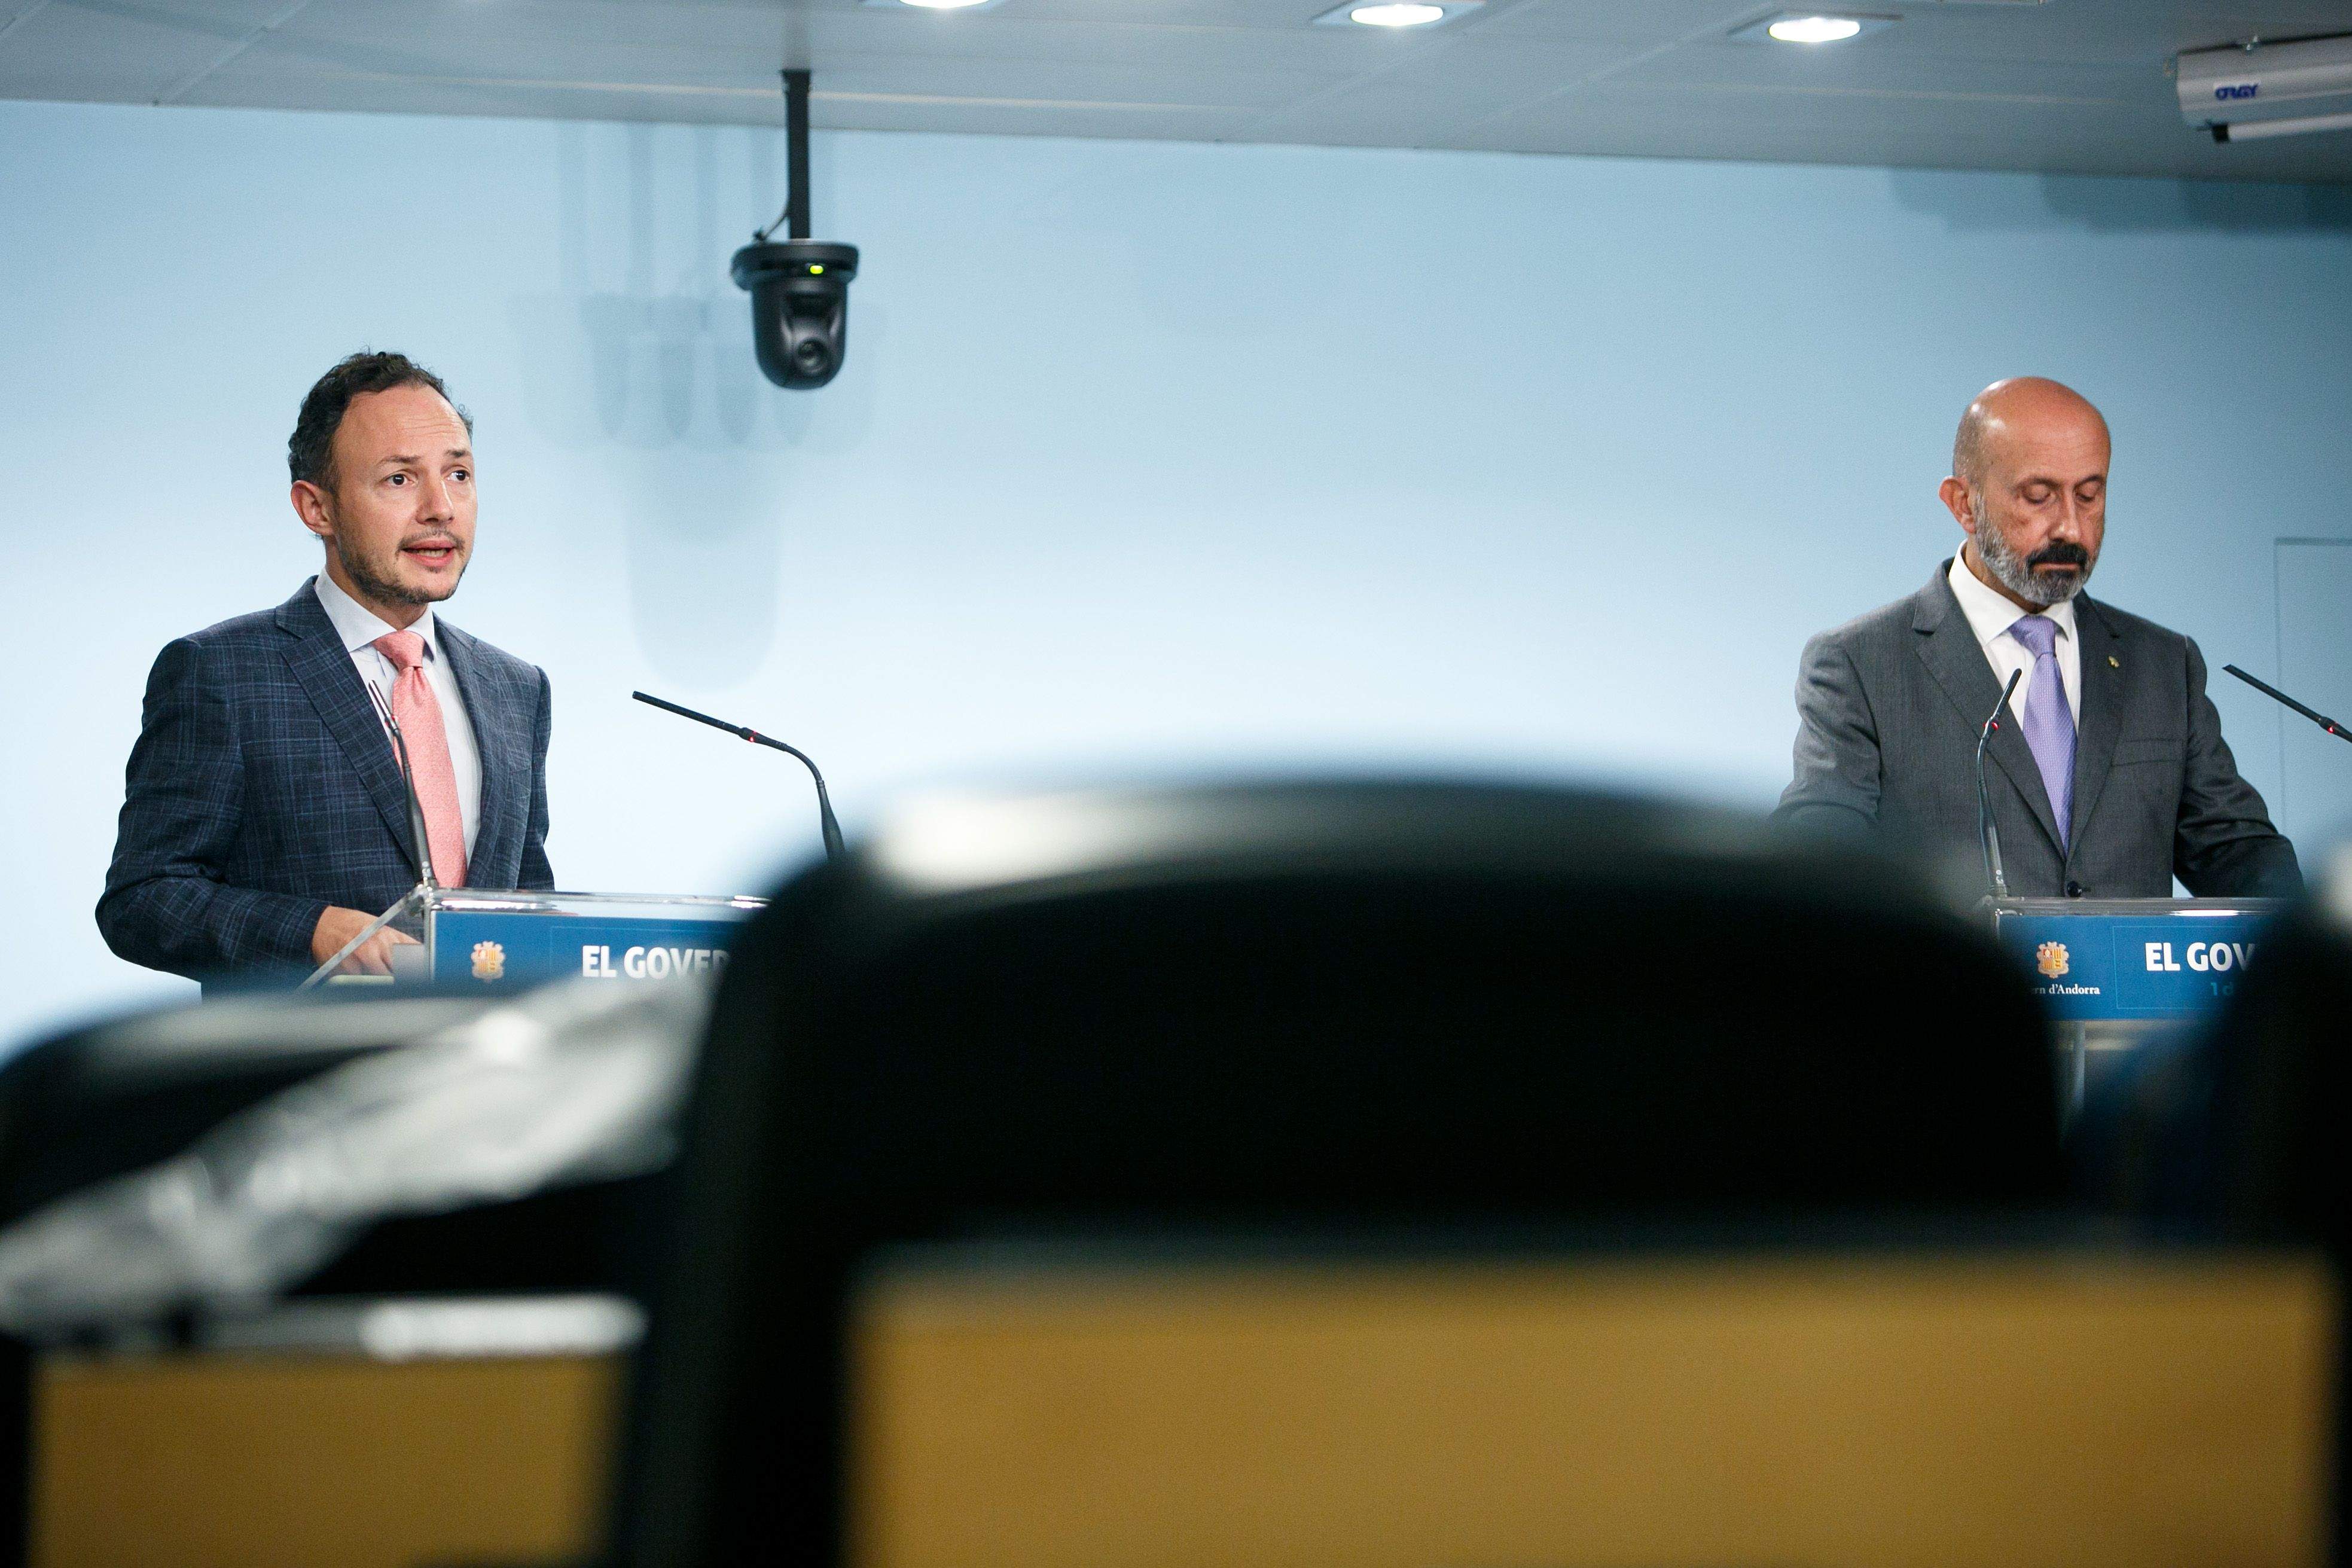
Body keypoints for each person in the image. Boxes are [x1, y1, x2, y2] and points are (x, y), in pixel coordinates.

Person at [100, 352, 553, 984]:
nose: (440, 508)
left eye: (458, 474)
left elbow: (528, 905)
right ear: (318, 509)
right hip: (308, 1071)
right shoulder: (221, 674)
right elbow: (143, 899)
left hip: (468, 1075)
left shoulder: (517, 689)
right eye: (399, 480)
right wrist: (311, 931)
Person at [1776, 376, 2297, 899]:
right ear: (1962, 504)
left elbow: (2234, 852)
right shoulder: (1860, 665)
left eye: (2089, 496)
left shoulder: (2164, 665)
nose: (2070, 528)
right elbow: (1819, 853)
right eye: (2038, 496)